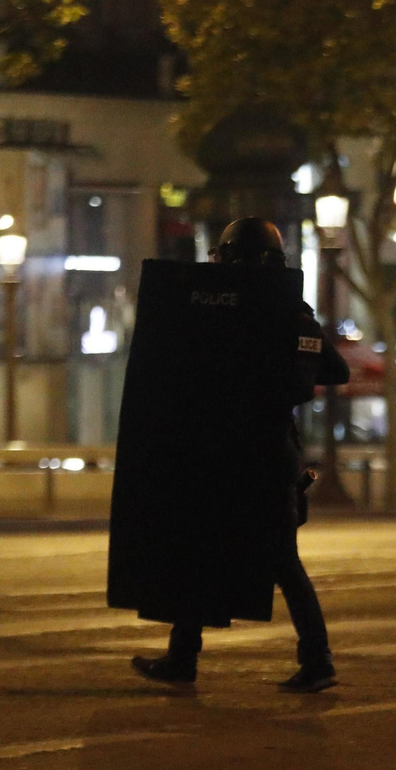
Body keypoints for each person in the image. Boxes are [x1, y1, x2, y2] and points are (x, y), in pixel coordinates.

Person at [132, 217, 348, 692]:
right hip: (269, 455)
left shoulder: (219, 312)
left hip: (229, 454)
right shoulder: (291, 313)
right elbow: (335, 369)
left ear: (229, 257)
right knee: (263, 558)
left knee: (215, 552)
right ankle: (192, 657)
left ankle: (310, 660)